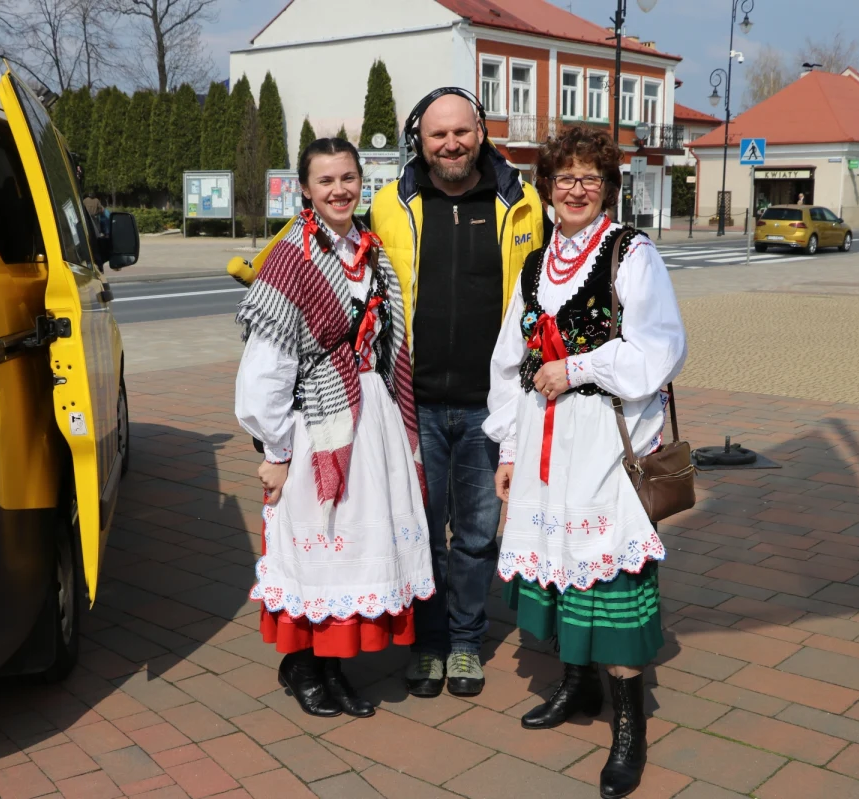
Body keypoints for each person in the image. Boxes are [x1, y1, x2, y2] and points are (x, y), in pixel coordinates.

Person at [483, 126, 686, 799]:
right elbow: (510, 364)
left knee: (608, 574)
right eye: (564, 177)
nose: (575, 188)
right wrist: (508, 448)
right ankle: (574, 686)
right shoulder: (536, 262)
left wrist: (576, 367)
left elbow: (660, 348)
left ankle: (629, 725)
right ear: (546, 187)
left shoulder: (630, 252)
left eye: (589, 178)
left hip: (606, 436)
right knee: (559, 565)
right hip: (544, 442)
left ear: (607, 189)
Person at [235, 138, 433, 719]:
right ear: (304, 188)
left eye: (348, 177)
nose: (340, 190)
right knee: (321, 543)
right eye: (326, 181)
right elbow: (264, 371)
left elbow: (390, 342)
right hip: (318, 424)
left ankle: (333, 668)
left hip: (372, 419)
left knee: (356, 548)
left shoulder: (367, 250)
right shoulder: (290, 257)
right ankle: (305, 667)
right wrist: (276, 447)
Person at [370, 88, 545, 697]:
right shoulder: (390, 203)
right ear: (420, 138)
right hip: (411, 404)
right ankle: (428, 641)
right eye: (438, 134)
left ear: (481, 132)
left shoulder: (521, 202)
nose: (450, 144)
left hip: (489, 409)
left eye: (461, 132)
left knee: (474, 534)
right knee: (418, 529)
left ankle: (466, 641)